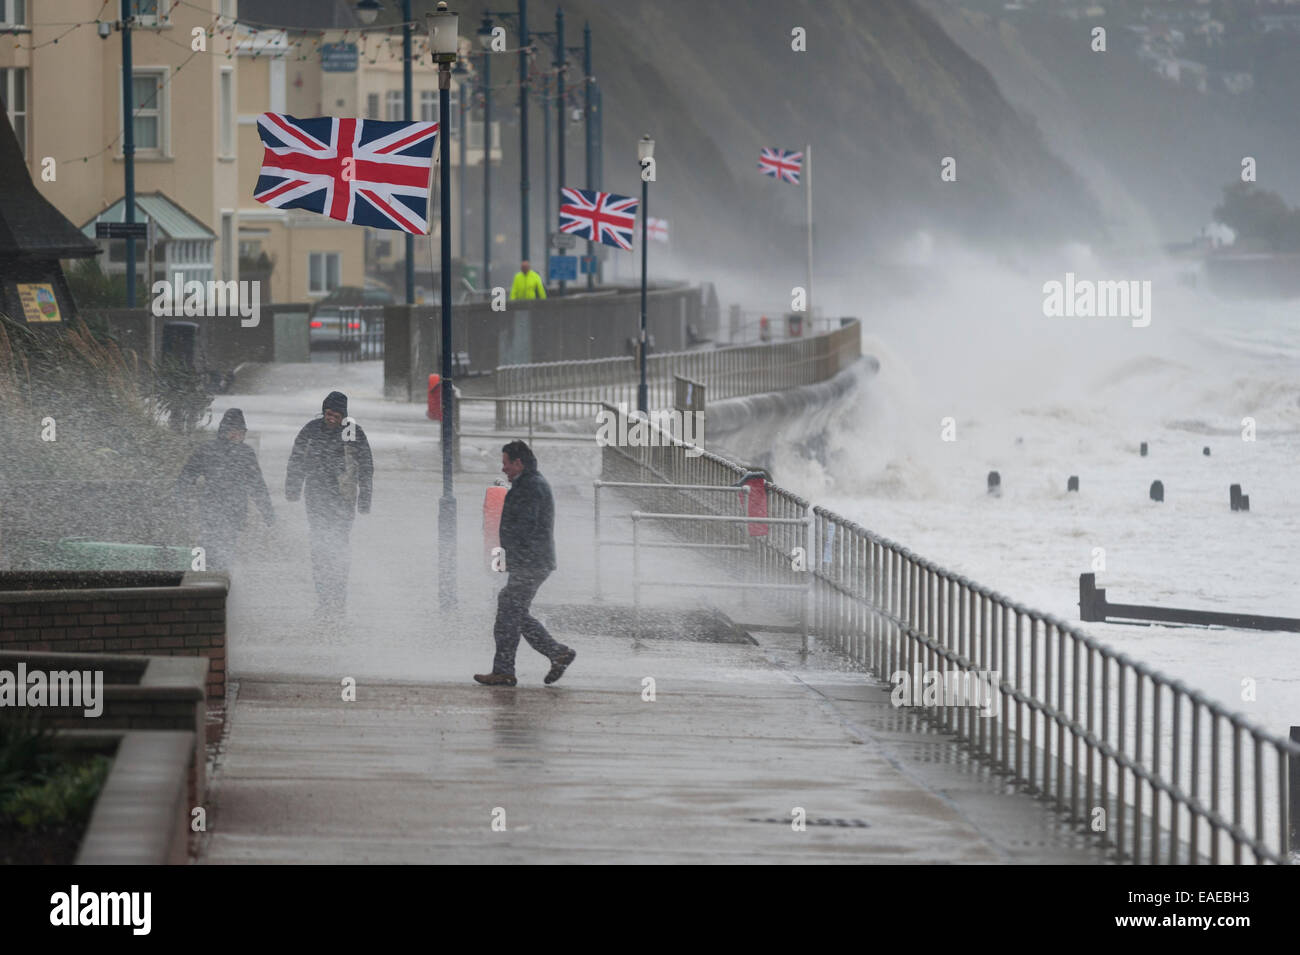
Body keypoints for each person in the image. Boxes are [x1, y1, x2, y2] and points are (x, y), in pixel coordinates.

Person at [474, 440, 575, 686]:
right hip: (531, 561)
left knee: (509, 609)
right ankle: (554, 653)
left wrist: (513, 558)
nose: (503, 469)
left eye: (506, 463)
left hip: (531, 562)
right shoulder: (527, 483)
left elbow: (525, 527)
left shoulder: (530, 486)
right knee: (514, 610)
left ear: (519, 463)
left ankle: (507, 669)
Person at [285, 391, 373, 616]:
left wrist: (365, 498)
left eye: (336, 414)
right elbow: (296, 459)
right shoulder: (311, 430)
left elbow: (365, 466)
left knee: (339, 548)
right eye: (328, 413)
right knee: (319, 548)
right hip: (316, 499)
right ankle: (324, 599)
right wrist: (293, 488)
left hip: (343, 500)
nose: (331, 418)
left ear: (344, 416)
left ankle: (338, 599)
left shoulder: (352, 431)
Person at [175, 408, 274, 572]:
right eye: (236, 431)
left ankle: (217, 578)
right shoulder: (209, 450)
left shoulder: (244, 453)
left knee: (223, 547)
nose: (239, 435)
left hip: (231, 511)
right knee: (210, 545)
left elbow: (257, 485)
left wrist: (267, 511)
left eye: (242, 432)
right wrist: (179, 496)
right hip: (213, 509)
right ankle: (207, 577)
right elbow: (187, 475)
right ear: (226, 431)